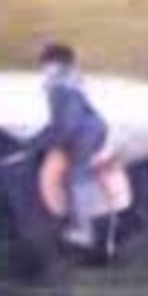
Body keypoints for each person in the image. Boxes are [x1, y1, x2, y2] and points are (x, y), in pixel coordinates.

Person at [27, 42, 109, 249]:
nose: (43, 68)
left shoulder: (63, 87)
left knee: (75, 172)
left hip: (86, 133)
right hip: (78, 131)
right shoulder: (60, 85)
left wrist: (42, 143)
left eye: (46, 64)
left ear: (58, 65)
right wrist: (33, 141)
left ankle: (84, 230)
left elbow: (67, 124)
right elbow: (57, 124)